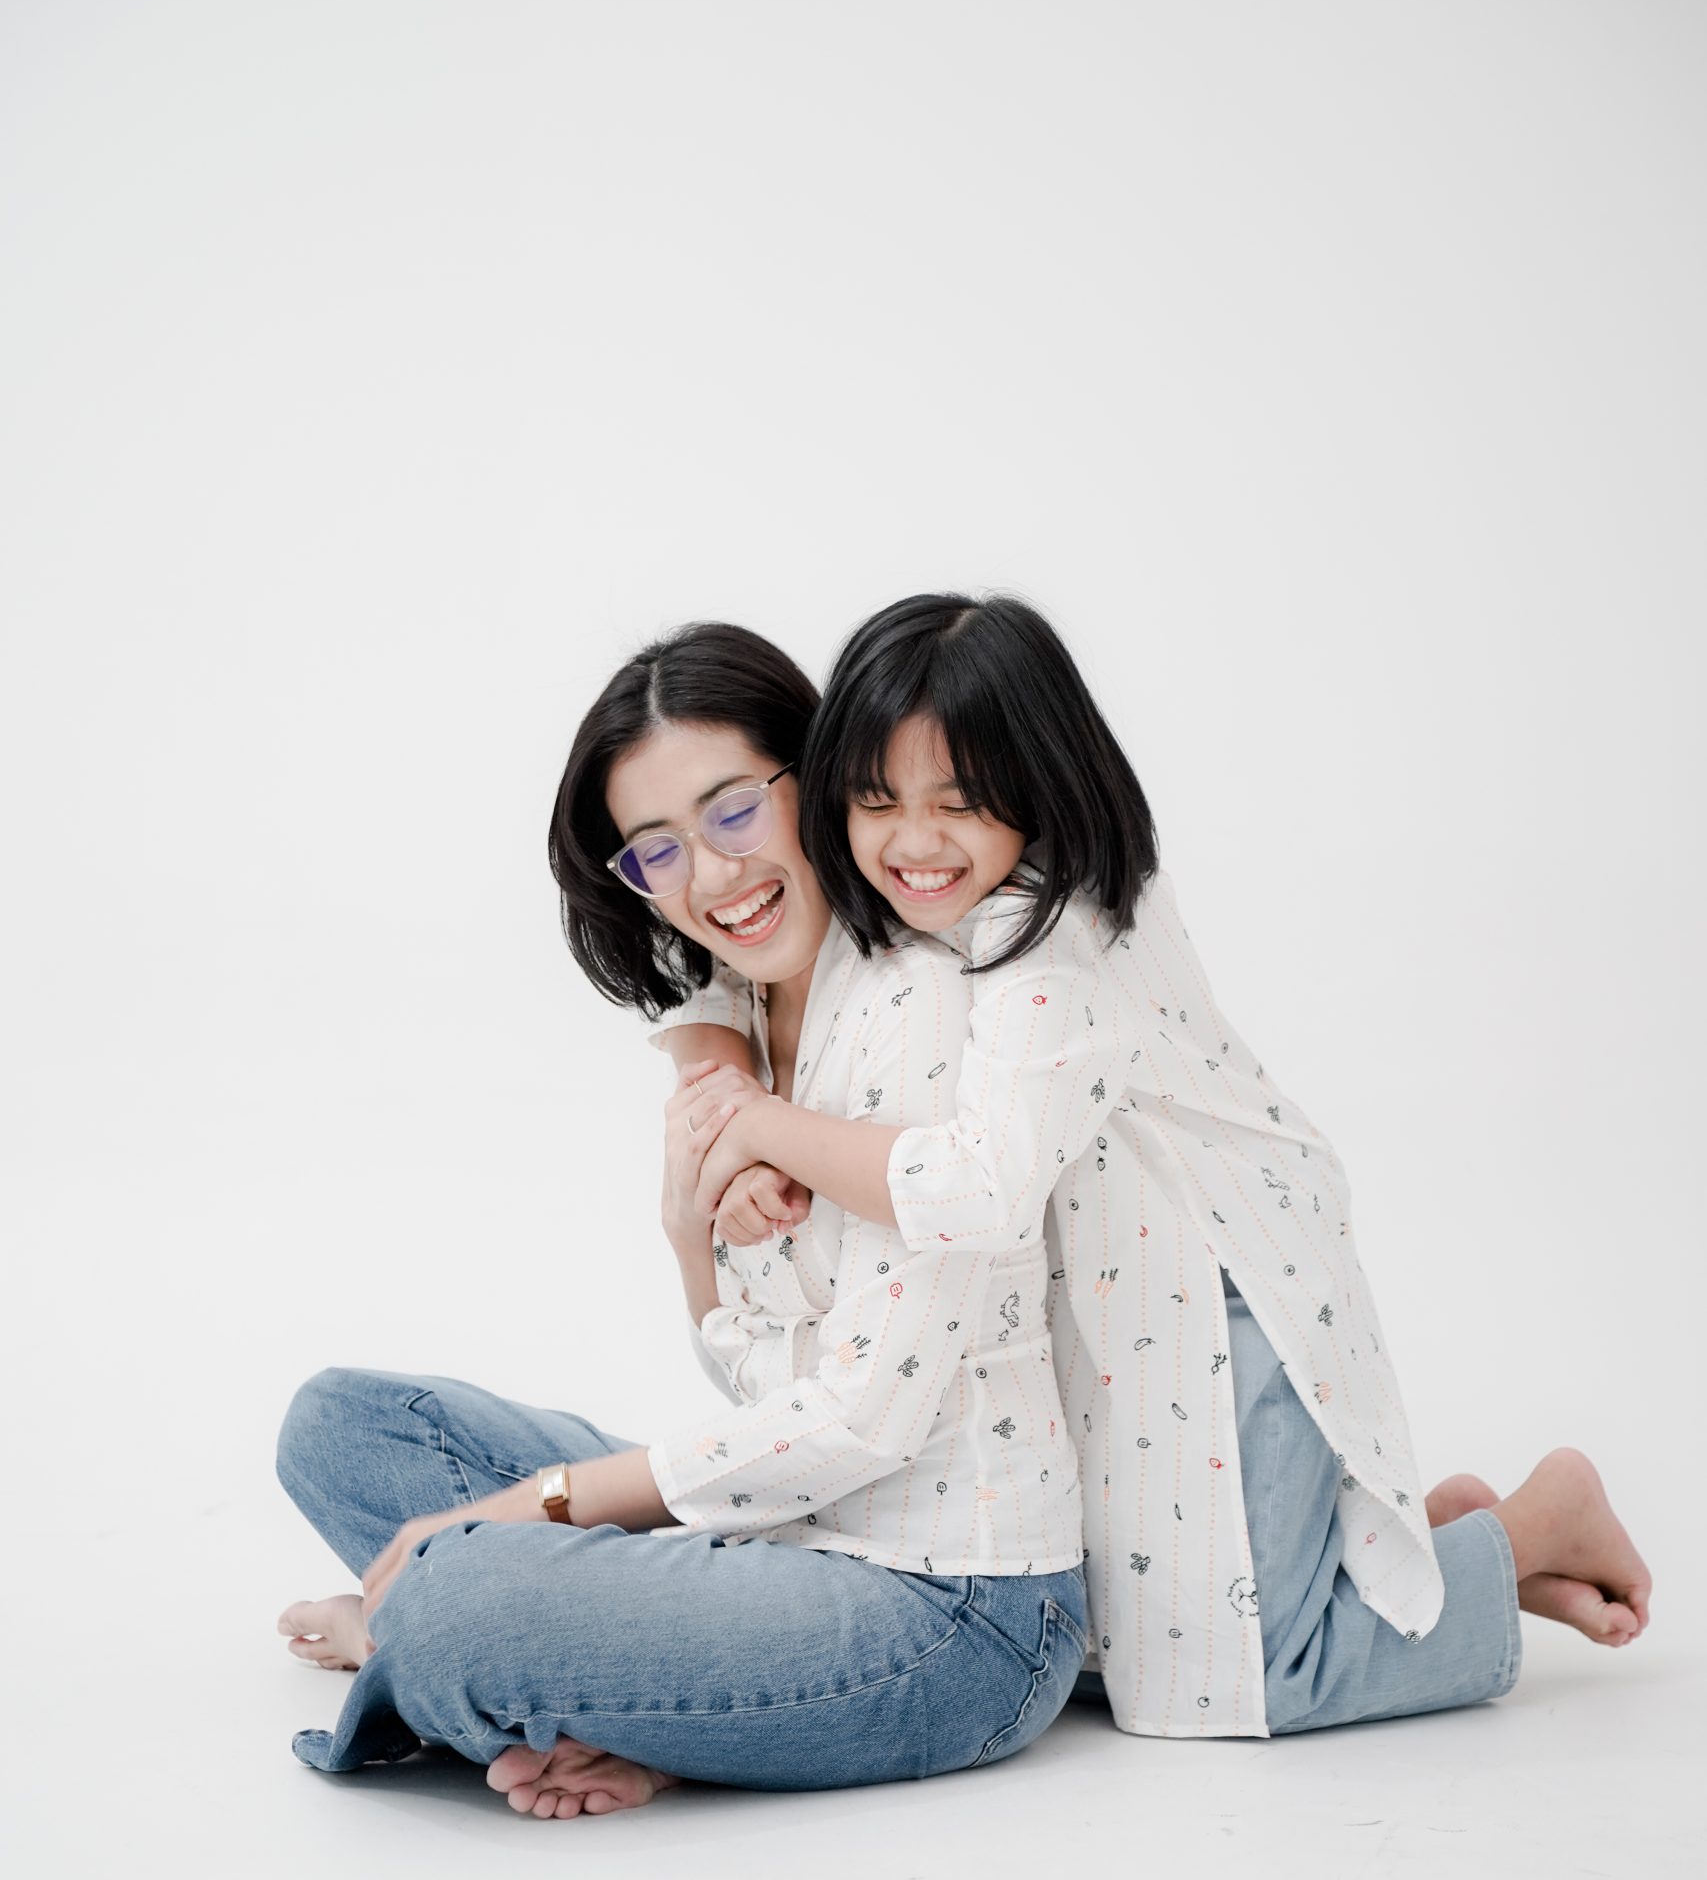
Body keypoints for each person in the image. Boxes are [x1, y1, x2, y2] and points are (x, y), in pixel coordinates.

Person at [669, 592, 1653, 1740]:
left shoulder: (1047, 934)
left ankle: (1531, 1527)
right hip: (1111, 1289)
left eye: (961, 802)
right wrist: (720, 1072)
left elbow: (980, 1189)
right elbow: (719, 969)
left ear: (1041, 785)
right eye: (877, 801)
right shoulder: (932, 906)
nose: (914, 843)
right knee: (1119, 1644)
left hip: (1222, 1280)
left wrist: (756, 1126)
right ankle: (1419, 1545)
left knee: (1239, 1679)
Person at [275, 624, 1088, 1817]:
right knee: (337, 1424)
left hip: (952, 1612)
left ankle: (478, 1652)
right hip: (789, 1539)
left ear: (818, 778)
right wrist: (684, 1237)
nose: (710, 877)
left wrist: (533, 1505)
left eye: (734, 811)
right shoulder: (740, 1020)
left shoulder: (918, 1005)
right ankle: (624, 1680)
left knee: (458, 1599)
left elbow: (862, 1421)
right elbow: (762, 1381)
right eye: (658, 848)